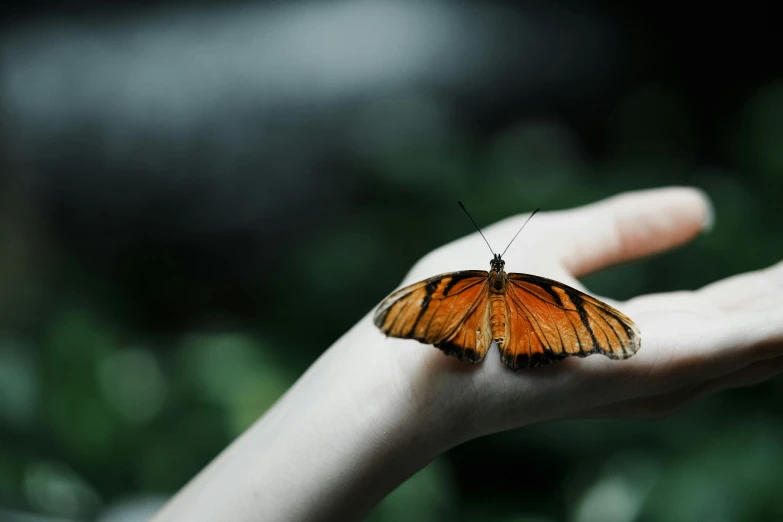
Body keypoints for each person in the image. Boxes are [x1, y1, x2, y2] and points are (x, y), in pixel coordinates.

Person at [150, 186, 783, 522]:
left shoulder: (456, 291)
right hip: (527, 332)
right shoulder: (538, 297)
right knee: (545, 324)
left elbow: (416, 307)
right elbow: (584, 325)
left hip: (475, 328)